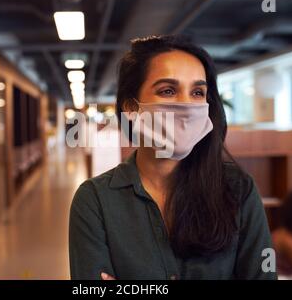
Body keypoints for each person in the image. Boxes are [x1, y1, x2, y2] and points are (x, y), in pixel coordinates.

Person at [69, 35, 277, 280]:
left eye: (198, 92)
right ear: (131, 108)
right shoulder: (95, 200)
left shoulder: (238, 189)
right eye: (168, 90)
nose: (187, 106)